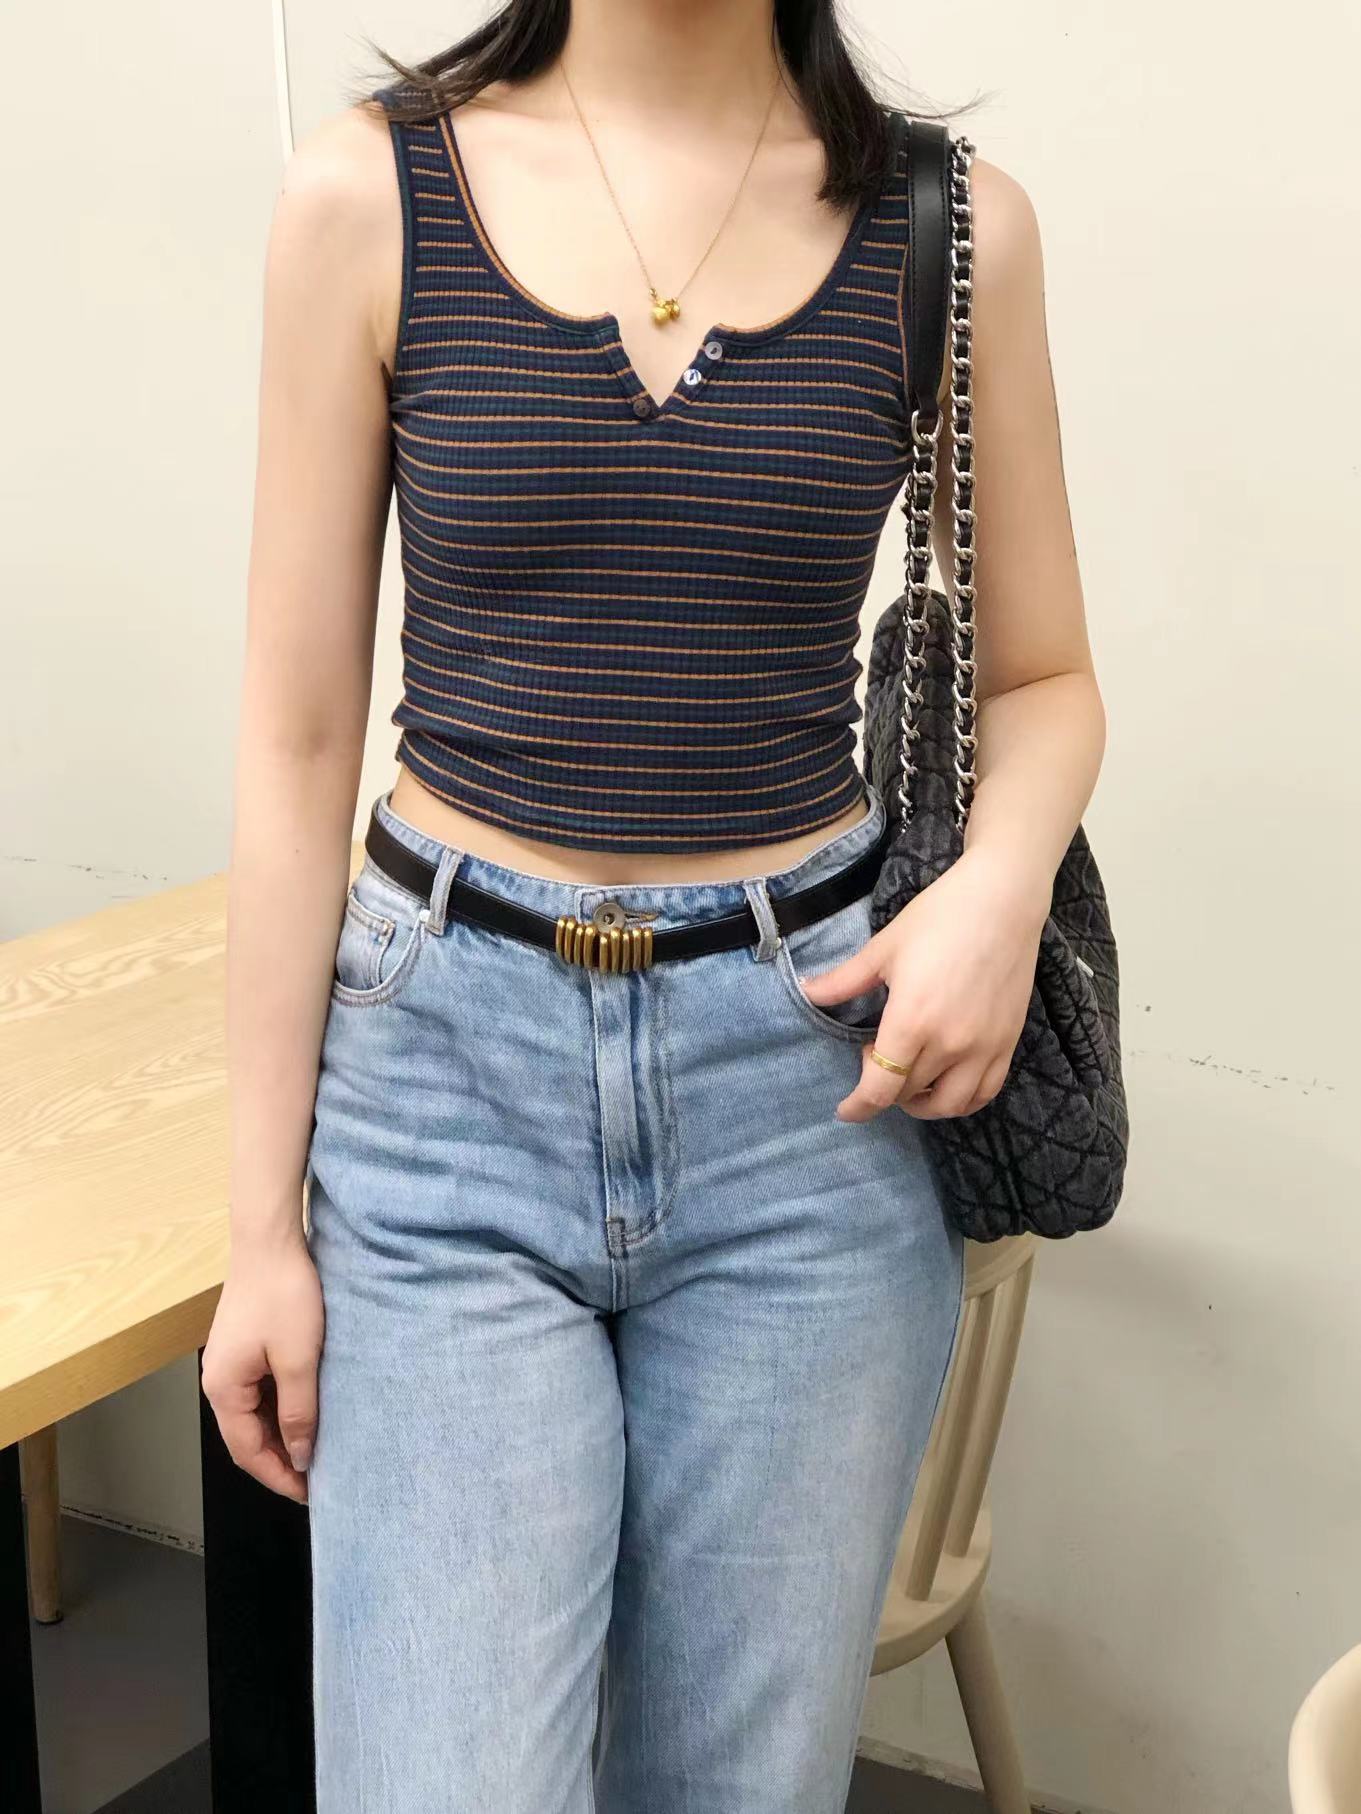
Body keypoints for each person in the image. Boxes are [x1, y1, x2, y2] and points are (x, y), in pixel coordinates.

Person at [201, 1, 1104, 1808]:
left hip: (807, 1100)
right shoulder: (368, 199)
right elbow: (297, 745)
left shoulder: (947, 229)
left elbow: (1042, 681)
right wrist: (258, 1231)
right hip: (443, 1094)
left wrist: (1001, 884)